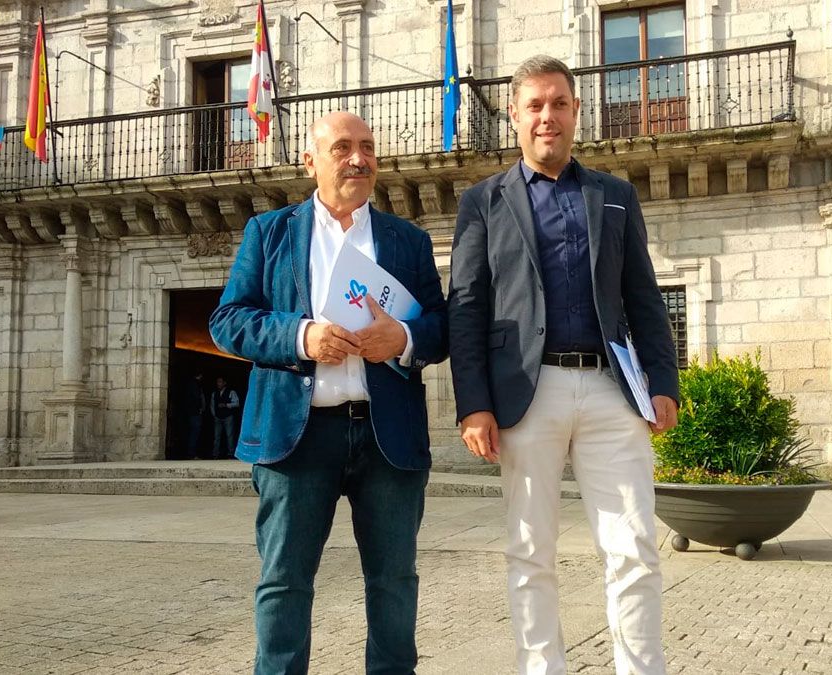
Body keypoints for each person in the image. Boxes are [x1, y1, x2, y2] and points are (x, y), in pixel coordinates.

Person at [448, 55, 680, 675]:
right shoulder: (483, 202)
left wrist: (663, 382)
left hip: (611, 388)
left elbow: (642, 296)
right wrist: (473, 403)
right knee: (530, 551)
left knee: (634, 548)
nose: (546, 116)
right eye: (534, 105)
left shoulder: (615, 196)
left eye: (558, 104)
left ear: (577, 112)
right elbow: (466, 306)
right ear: (515, 118)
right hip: (527, 393)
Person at [209, 111, 448, 675]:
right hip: (297, 439)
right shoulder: (268, 233)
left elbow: (441, 326)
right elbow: (228, 321)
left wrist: (405, 337)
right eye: (342, 147)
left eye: (367, 146)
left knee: (394, 581)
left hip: (387, 438)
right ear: (310, 161)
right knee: (284, 581)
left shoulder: (407, 241)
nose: (358, 158)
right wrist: (301, 335)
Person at [211, 376, 240, 459]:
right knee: (217, 437)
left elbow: (237, 403)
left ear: (224, 383)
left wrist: (226, 405)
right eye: (217, 382)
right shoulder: (214, 393)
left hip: (228, 417)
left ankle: (230, 453)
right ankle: (215, 454)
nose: (218, 384)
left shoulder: (231, 392)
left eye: (220, 382)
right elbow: (212, 405)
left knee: (229, 436)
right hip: (218, 417)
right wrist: (214, 415)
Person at [180, 372, 206, 459]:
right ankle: (192, 453)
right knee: (194, 433)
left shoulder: (189, 384)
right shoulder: (195, 385)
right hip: (194, 413)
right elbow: (196, 398)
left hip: (189, 412)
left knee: (192, 432)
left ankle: (190, 453)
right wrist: (200, 409)